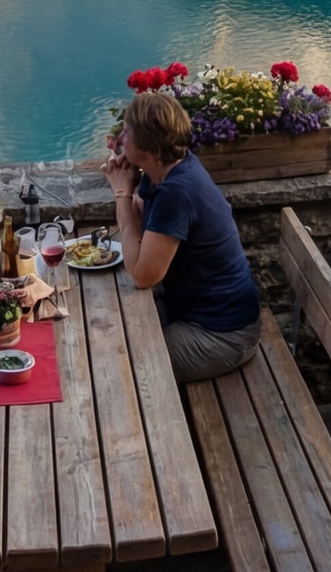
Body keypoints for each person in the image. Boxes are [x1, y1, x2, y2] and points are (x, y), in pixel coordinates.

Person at [105, 91, 264, 384]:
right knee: (110, 330)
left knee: (125, 370)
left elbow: (143, 275)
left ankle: (158, 430)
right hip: (192, 311)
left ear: (150, 148)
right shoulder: (166, 172)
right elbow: (139, 217)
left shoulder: (177, 191)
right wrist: (128, 186)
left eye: (128, 131)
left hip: (223, 334)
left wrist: (121, 193)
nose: (120, 136)